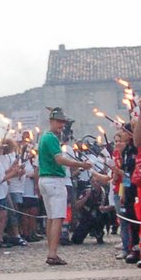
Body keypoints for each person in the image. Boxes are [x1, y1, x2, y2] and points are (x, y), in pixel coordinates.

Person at [37, 108, 89, 265]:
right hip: (54, 180)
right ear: (51, 121)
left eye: (63, 122)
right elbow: (59, 159)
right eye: (59, 122)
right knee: (58, 218)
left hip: (46, 179)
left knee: (52, 217)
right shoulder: (51, 138)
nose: (61, 125)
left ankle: (51, 251)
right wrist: (80, 164)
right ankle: (52, 253)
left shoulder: (44, 137)